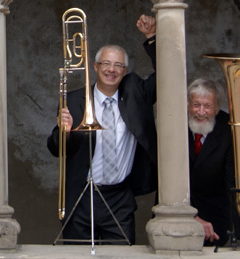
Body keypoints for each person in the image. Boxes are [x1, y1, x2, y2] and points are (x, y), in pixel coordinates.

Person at [46, 15, 157, 244]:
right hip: (82, 197)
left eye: (118, 65)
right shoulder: (74, 99)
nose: (111, 70)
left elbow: (166, 75)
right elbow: (56, 148)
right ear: (95, 67)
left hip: (120, 197)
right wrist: (64, 132)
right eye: (106, 64)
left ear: (125, 71)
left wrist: (152, 38)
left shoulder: (136, 92)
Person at [187, 78, 240, 247]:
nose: (201, 112)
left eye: (207, 106)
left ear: (217, 109)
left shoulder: (229, 130)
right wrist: (189, 215)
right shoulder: (174, 125)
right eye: (196, 105)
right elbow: (170, 179)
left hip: (216, 217)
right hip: (180, 212)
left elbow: (233, 183)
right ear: (188, 105)